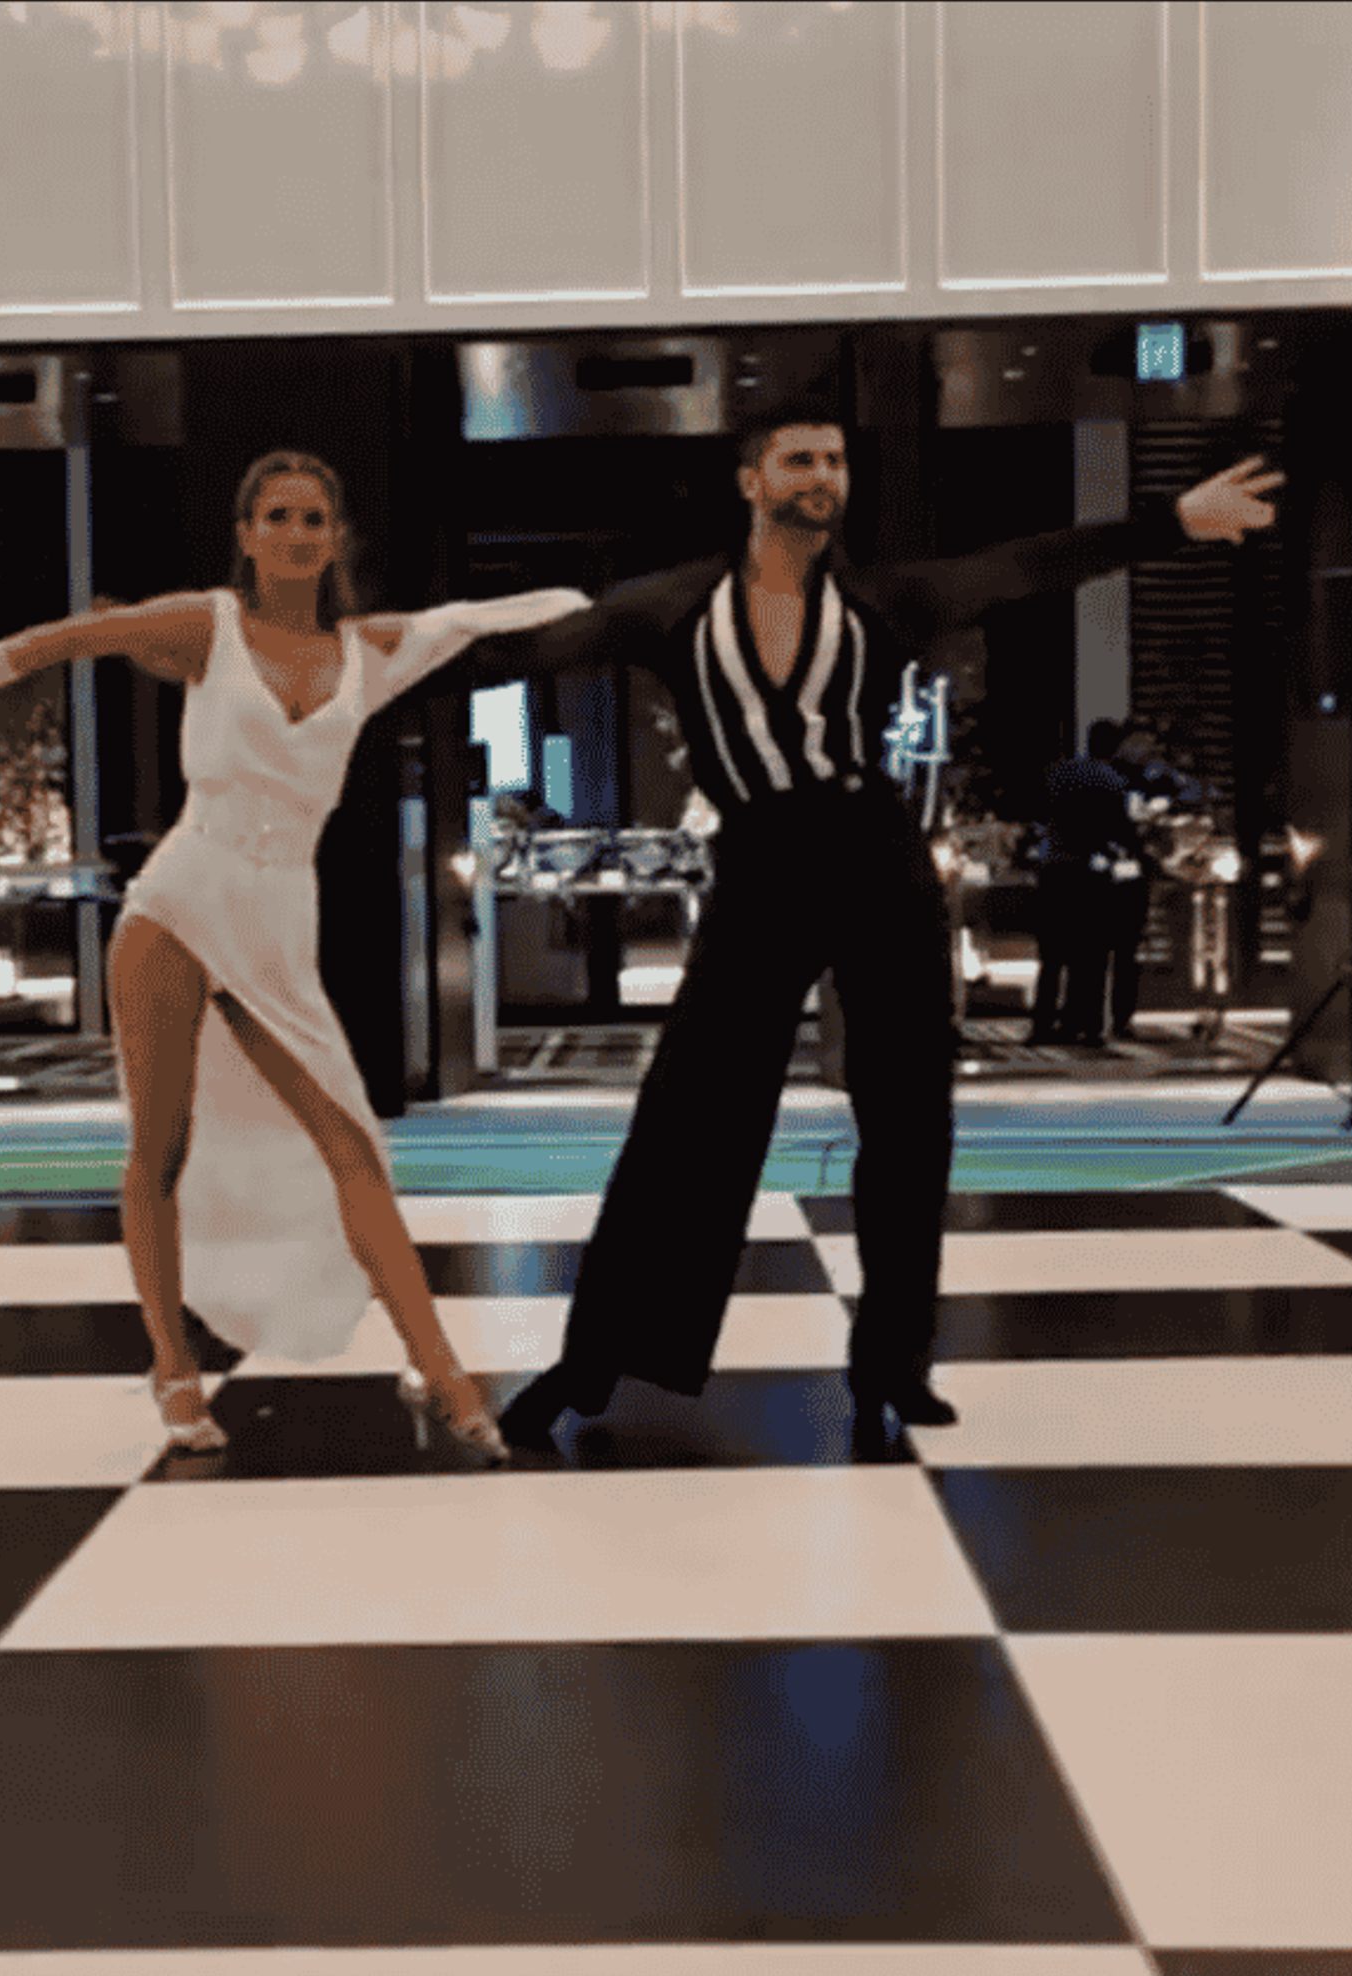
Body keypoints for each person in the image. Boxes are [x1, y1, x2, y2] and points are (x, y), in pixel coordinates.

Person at [478, 402, 1282, 1449]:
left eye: (835, 460)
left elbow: (1024, 564)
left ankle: (891, 1365)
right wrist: (355, 657)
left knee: (908, 1116)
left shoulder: (884, 597)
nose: (822, 475)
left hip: (874, 856)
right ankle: (591, 1365)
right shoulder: (673, 606)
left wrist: (1169, 522)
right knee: (685, 1117)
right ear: (749, 480)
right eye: (799, 459)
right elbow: (531, 647)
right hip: (760, 867)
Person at [0, 451, 588, 1463]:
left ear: (334, 535)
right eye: (278, 515)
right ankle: (173, 1367)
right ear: (248, 533)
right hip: (179, 903)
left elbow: (479, 619)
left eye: (314, 516)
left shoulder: (370, 649)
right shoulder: (205, 623)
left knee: (352, 1143)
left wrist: (598, 607)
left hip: (277, 922)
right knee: (159, 1150)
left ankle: (439, 1365)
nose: (298, 532)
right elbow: (71, 637)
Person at [1026, 719, 1138, 1050]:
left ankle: (1042, 1024)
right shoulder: (1114, 781)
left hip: (1055, 868)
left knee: (1052, 956)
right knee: (1090, 955)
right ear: (1114, 746)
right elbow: (1119, 830)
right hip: (1091, 872)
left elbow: (1041, 815)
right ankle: (1086, 1025)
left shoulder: (1060, 774)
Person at [1105, 719, 1203, 1039]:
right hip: (1112, 871)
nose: (1148, 751)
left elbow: (1189, 791)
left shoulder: (1151, 778)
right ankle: (1107, 1016)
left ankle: (1120, 1017)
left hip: (1134, 871)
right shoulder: (1113, 777)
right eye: (1142, 743)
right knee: (1110, 948)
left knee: (1127, 947)